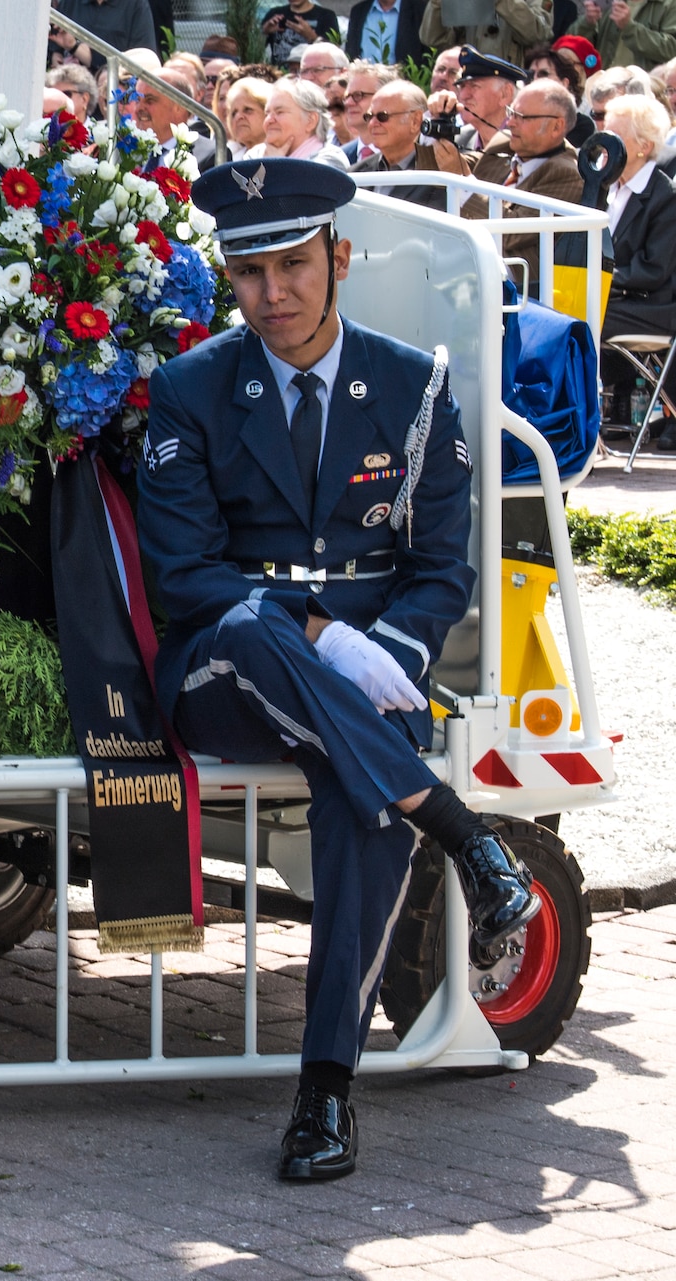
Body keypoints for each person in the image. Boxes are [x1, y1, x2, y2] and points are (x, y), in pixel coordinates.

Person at [140, 158, 539, 1182]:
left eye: (290, 268)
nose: (270, 296)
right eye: (245, 274)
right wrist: (322, 634)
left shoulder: (409, 384)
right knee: (250, 631)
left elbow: (440, 563)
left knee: (361, 806)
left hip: (371, 679)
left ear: (338, 258)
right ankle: (459, 831)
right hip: (227, 671)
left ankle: (324, 1093)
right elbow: (184, 577)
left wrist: (392, 649)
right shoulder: (190, 389)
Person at [594, 95, 676, 444]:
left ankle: (581, 427)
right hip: (615, 299)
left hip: (654, 307)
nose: (604, 143)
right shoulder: (603, 187)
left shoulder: (665, 195)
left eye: (616, 136)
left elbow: (653, 269)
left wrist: (598, 281)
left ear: (643, 146)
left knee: (578, 320)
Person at [466, 77, 585, 270]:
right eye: (511, 112)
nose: (510, 122)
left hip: (516, 281)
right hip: (474, 258)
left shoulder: (567, 174)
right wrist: (434, 131)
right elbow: (453, 163)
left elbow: (511, 233)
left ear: (557, 127)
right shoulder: (505, 143)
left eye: (522, 117)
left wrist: (464, 188)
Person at [353, 79, 476, 205]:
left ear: (415, 121)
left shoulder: (443, 171)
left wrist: (458, 177)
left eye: (382, 116)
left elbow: (480, 214)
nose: (373, 124)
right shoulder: (355, 174)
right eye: (369, 117)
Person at [574, 0, 676, 83]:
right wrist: (587, 23)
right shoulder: (609, 3)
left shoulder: (669, 4)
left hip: (643, 92)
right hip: (602, 86)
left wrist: (629, 28)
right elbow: (571, 46)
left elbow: (671, 49)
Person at [423, 0, 552, 65]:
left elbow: (538, 33)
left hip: (513, 84)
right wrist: (438, 4)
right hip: (470, 82)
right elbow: (434, 39)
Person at [266, 77, 356, 166]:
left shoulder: (328, 160)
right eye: (267, 113)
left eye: (279, 112)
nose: (269, 120)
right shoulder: (257, 154)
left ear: (311, 121)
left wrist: (274, 164)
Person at [56, 0, 158, 68]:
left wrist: (77, 48)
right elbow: (54, 41)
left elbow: (145, 58)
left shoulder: (136, 4)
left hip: (114, 86)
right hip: (69, 83)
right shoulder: (71, 2)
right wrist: (55, 54)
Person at [343, 60, 404, 159]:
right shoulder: (341, 158)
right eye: (346, 96)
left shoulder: (408, 155)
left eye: (358, 95)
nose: (348, 103)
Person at [263, 0, 346, 65]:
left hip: (312, 75)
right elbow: (256, 49)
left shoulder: (326, 16)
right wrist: (264, 32)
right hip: (280, 74)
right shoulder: (274, 14)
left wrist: (313, 38)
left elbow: (336, 53)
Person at [346, 0, 429, 64]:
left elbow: (427, 56)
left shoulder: (419, 10)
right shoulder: (358, 11)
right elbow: (351, 52)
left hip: (403, 82)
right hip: (365, 81)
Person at [227, 76, 279, 158]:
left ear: (267, 114)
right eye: (234, 113)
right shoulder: (227, 156)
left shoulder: (282, 155)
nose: (238, 117)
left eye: (247, 110)